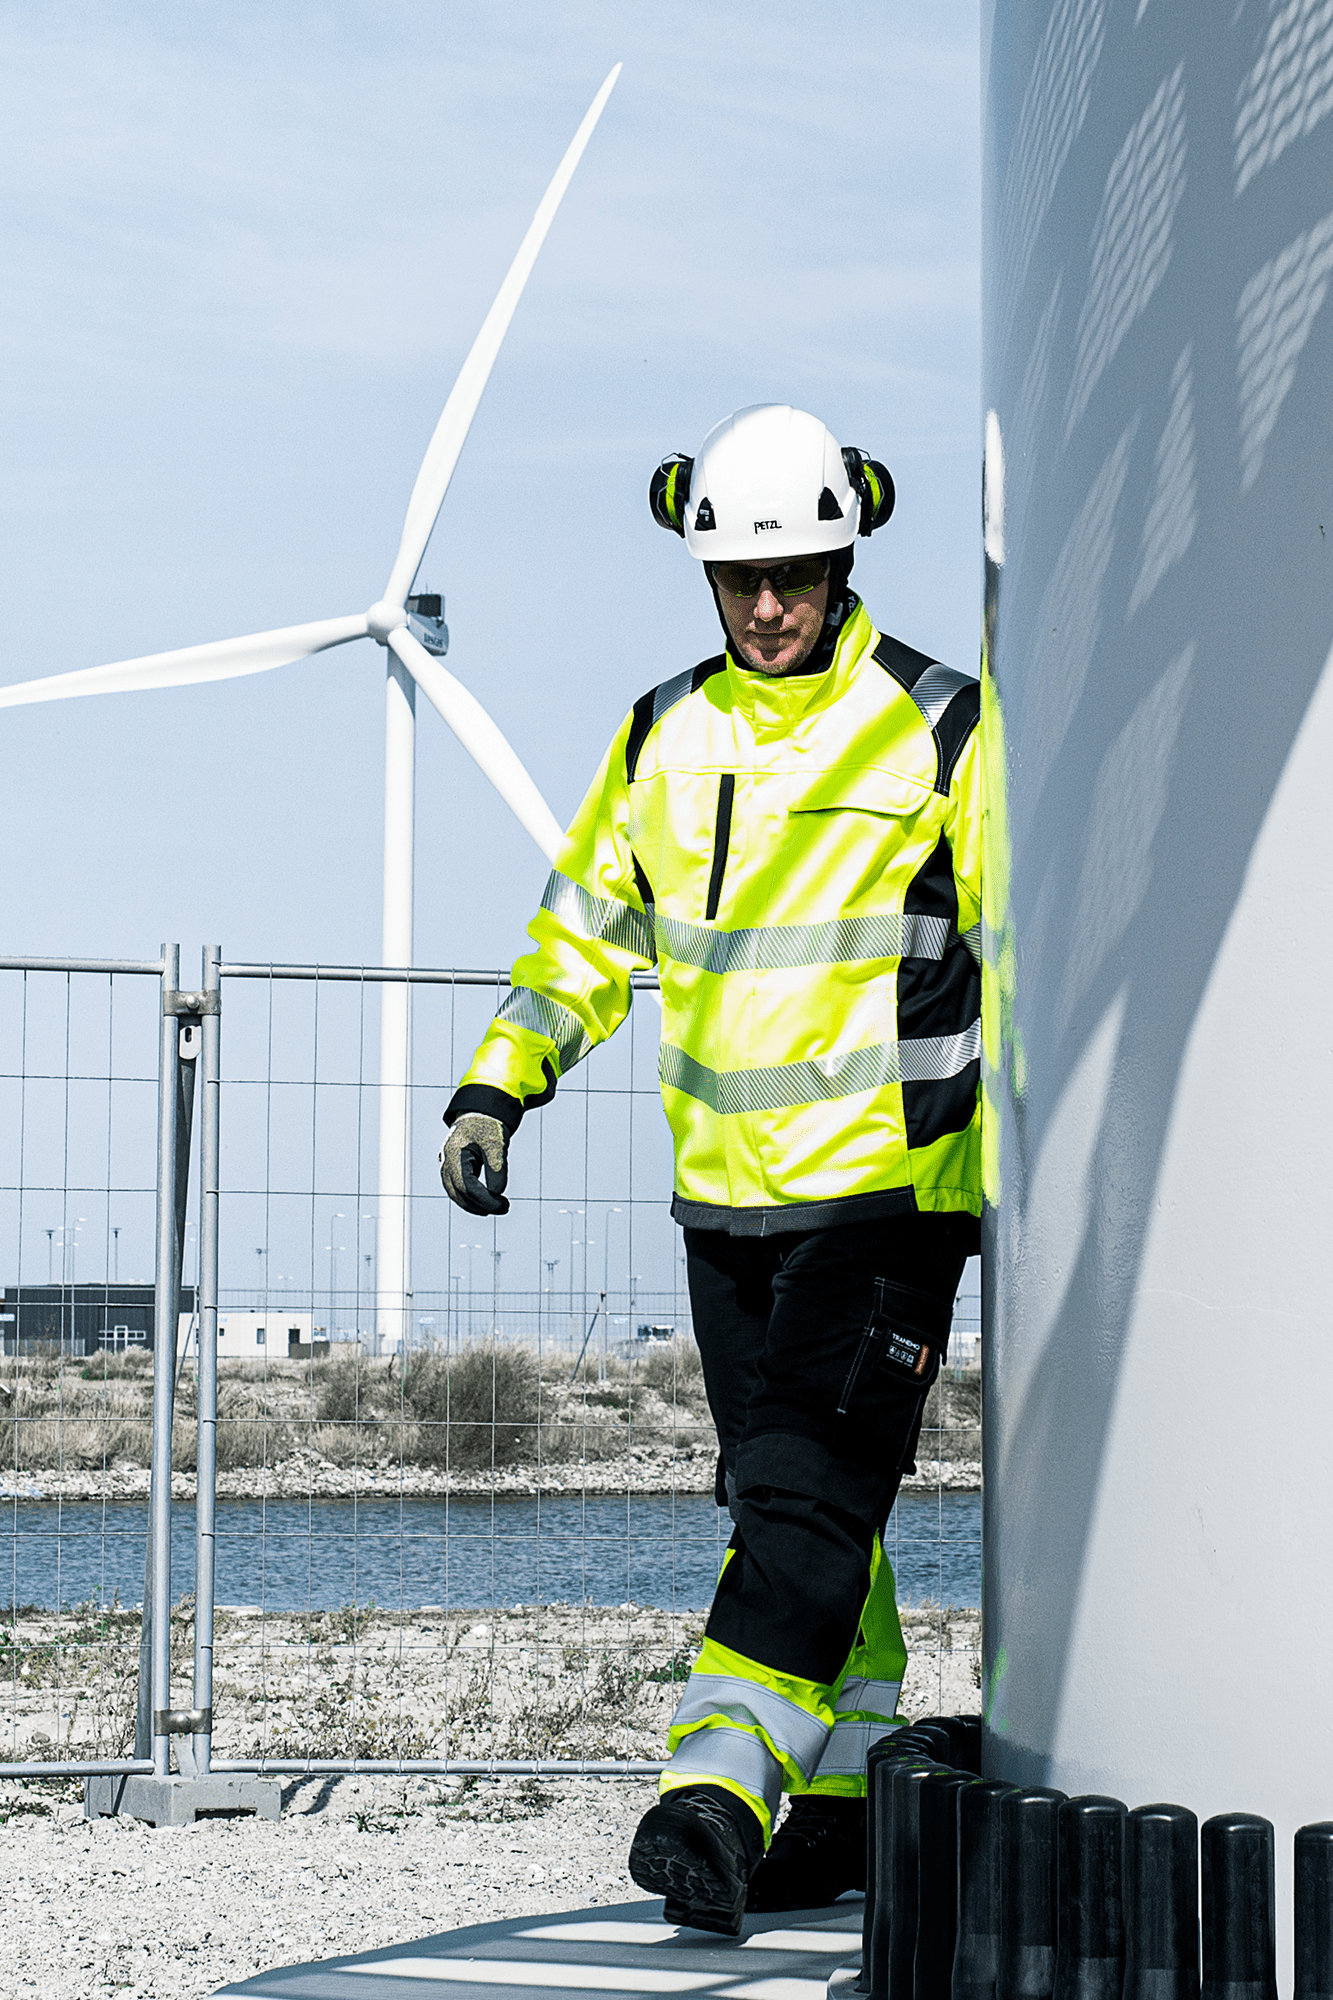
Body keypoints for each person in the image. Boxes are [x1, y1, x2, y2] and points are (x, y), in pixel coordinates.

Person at [439, 403, 981, 1934]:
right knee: (787, 1498)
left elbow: (1034, 943)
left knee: (805, 1491)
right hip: (725, 1202)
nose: (769, 604)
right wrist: (498, 1086)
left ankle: (718, 1789)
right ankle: (849, 1792)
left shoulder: (943, 726)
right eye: (742, 578)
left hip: (887, 1191)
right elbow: (582, 939)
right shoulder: (660, 735)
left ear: (845, 556)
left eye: (796, 574)